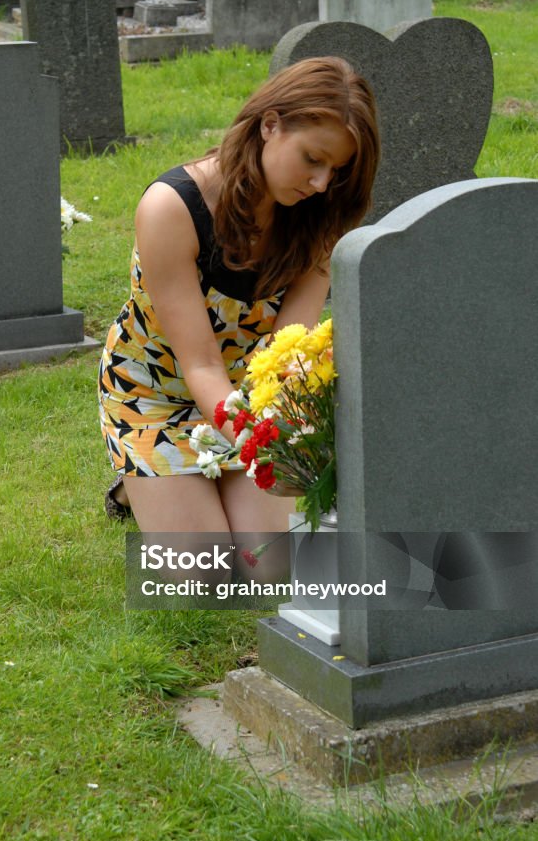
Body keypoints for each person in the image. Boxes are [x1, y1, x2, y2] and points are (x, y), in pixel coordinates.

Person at [98, 56, 380, 536]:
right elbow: (202, 366)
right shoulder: (172, 208)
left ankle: (194, 475)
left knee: (269, 566)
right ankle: (136, 480)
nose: (321, 183)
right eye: (313, 159)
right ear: (270, 125)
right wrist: (259, 446)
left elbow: (285, 348)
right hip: (155, 397)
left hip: (250, 394)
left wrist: (287, 438)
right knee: (205, 576)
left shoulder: (319, 216)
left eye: (336, 169)